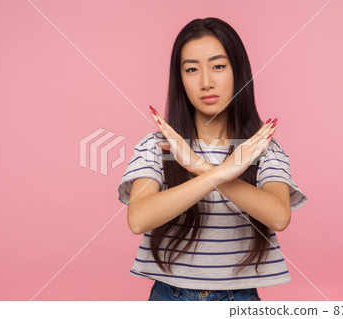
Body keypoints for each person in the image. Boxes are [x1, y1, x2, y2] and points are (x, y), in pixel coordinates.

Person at [117, 17, 308, 301]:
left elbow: (279, 216)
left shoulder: (262, 148)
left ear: (237, 72)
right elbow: (138, 219)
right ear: (180, 79)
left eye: (218, 66)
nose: (206, 82)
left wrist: (200, 167)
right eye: (192, 69)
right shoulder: (158, 146)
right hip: (170, 297)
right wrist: (220, 173)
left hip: (239, 299)